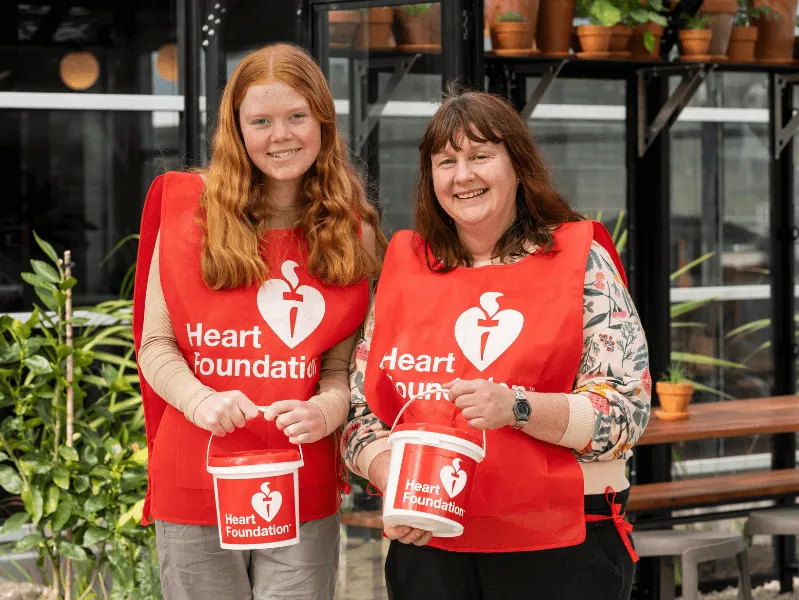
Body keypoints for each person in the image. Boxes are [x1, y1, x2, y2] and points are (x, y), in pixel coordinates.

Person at [342, 89, 651, 600]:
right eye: (446, 161)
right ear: (431, 178)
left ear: (518, 165)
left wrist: (518, 406)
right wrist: (392, 476)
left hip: (560, 549)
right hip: (431, 546)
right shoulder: (405, 271)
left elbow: (625, 414)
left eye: (481, 156)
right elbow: (362, 410)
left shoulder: (580, 262)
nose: (463, 175)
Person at [132, 43, 385, 600]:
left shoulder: (353, 232)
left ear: (322, 120)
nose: (281, 135)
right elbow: (154, 344)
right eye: (261, 121)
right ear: (237, 129)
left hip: (300, 471)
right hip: (196, 471)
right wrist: (201, 401)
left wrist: (327, 408)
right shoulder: (185, 210)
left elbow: (340, 366)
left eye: (297, 116)